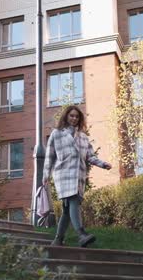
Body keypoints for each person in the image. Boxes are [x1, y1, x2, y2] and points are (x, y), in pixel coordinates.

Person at [42, 106, 112, 247]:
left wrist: (103, 164)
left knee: (67, 209)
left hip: (78, 175)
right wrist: (45, 175)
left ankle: (58, 240)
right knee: (73, 201)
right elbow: (49, 157)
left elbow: (90, 156)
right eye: (71, 116)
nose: (74, 118)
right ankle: (81, 234)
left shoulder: (83, 137)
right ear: (66, 117)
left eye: (76, 116)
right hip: (63, 174)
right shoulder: (57, 134)